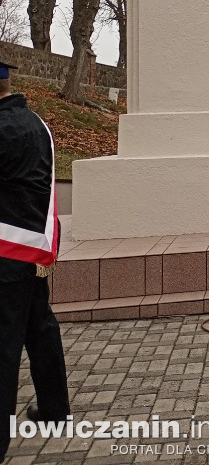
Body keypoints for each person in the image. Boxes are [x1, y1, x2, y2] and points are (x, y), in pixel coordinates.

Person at [0, 60, 71, 460]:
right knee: (40, 329)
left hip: (4, 251)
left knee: (4, 344)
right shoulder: (36, 124)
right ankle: (55, 409)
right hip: (32, 251)